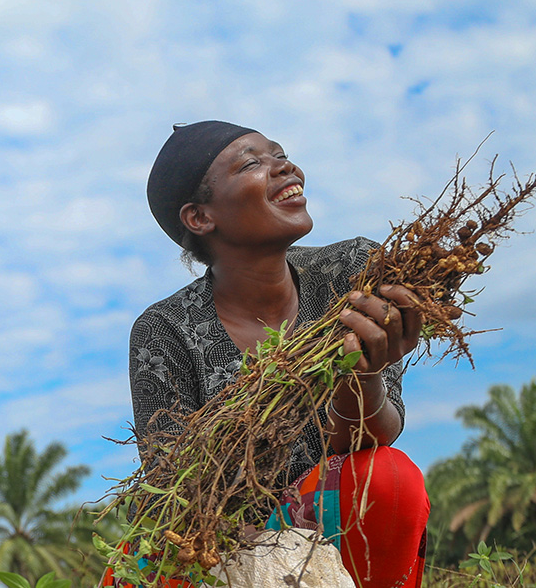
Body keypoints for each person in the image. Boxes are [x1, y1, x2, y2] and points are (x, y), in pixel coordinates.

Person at [115, 122, 431, 588]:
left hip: (329, 517)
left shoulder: (350, 271)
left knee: (386, 477)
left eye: (279, 153)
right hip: (220, 544)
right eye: (251, 163)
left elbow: (378, 436)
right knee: (152, 558)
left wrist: (362, 378)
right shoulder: (165, 331)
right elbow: (176, 495)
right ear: (200, 217)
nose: (285, 166)